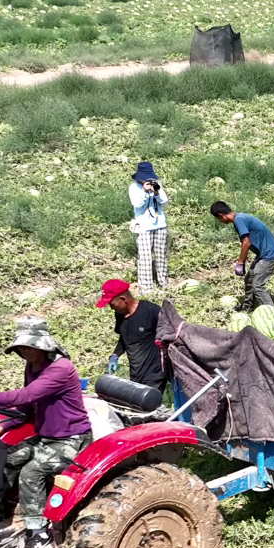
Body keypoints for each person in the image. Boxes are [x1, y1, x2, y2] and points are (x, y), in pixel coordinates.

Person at [0, 318, 92, 548]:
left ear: (43, 346)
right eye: (21, 349)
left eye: (28, 348)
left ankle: (38, 534)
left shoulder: (61, 370)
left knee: (32, 471)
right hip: (46, 437)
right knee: (4, 460)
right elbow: (29, 405)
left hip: (71, 439)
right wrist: (5, 425)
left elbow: (27, 395)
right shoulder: (32, 366)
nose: (24, 353)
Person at [96, 279, 166, 391]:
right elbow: (124, 337)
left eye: (112, 304)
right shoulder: (120, 315)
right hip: (136, 373)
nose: (111, 308)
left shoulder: (151, 311)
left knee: (147, 404)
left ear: (123, 299)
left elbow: (172, 334)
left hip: (154, 373)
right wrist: (115, 356)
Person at [211, 200, 274, 310]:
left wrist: (240, 262)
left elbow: (246, 243)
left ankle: (273, 313)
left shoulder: (239, 220)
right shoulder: (241, 217)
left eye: (218, 219)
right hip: (263, 255)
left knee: (257, 286)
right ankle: (247, 307)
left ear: (221, 216)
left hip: (269, 256)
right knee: (249, 279)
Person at [127, 161, 170, 295]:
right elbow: (137, 204)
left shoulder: (156, 185)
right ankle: (146, 289)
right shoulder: (134, 188)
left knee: (161, 255)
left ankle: (163, 282)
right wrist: (145, 191)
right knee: (145, 258)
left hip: (160, 225)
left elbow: (165, 202)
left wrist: (156, 192)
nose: (148, 180)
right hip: (144, 226)